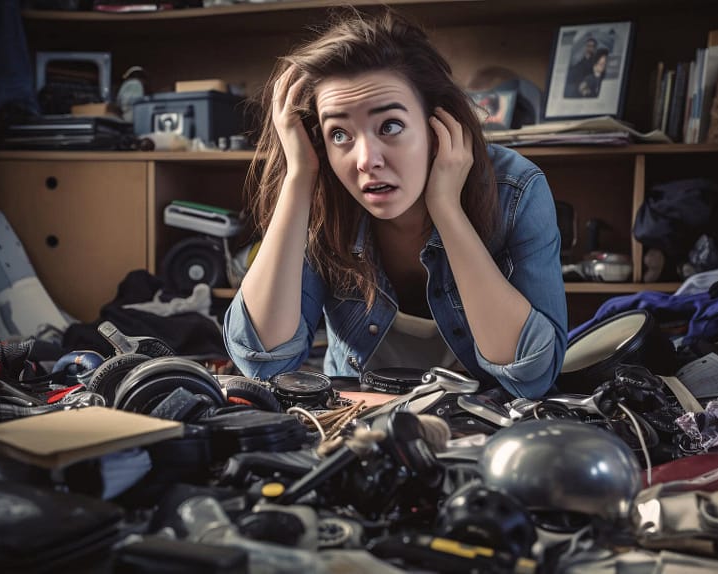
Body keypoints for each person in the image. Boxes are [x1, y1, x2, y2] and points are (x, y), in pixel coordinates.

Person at [223, 8, 567, 399]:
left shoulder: (516, 189)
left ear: (437, 126)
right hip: (354, 419)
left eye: (390, 126)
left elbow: (532, 375)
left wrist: (447, 209)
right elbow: (262, 362)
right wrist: (299, 176)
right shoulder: (322, 192)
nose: (367, 159)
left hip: (480, 422)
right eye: (339, 134)